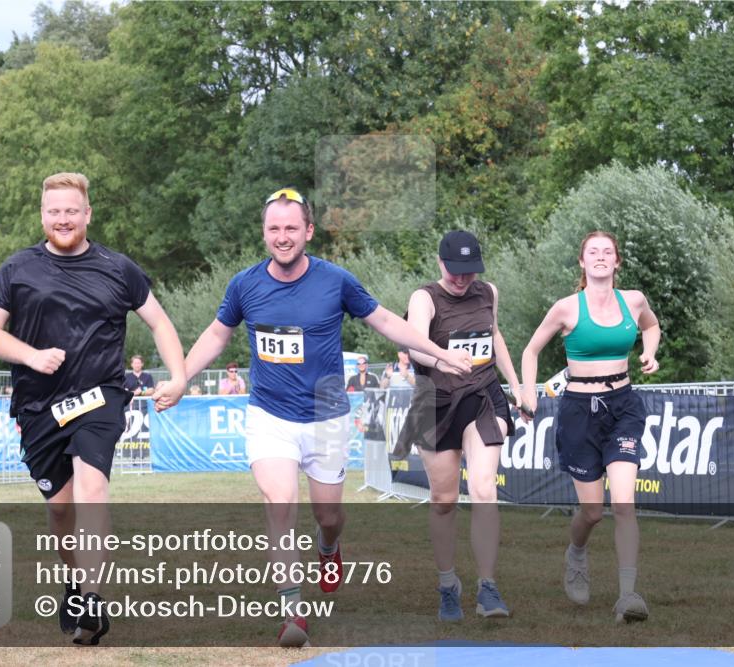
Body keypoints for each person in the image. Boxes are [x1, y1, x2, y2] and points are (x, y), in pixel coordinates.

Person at [184, 187, 472, 648]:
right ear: (264, 233)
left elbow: (384, 322)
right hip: (269, 415)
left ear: (309, 231)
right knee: (280, 505)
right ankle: (292, 611)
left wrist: (437, 352)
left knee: (329, 514)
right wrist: (180, 376)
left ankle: (329, 545)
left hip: (325, 416)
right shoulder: (244, 285)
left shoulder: (335, 280)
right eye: (274, 228)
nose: (283, 237)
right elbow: (218, 336)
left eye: (291, 228)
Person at [0, 172, 187, 646]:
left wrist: (179, 376)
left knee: (92, 488)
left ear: (88, 214)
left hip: (100, 397)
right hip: (38, 407)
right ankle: (74, 581)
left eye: (72, 210)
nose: (63, 219)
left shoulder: (118, 268)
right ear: (42, 215)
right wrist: (31, 356)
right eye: (54, 211)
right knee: (60, 512)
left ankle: (92, 597)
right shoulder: (17, 269)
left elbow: (159, 322)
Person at [520, 230, 660, 623]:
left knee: (624, 503)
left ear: (617, 261)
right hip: (580, 409)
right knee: (593, 511)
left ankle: (628, 595)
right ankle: (577, 553)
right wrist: (528, 394)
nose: (600, 256)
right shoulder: (566, 308)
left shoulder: (633, 301)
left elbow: (651, 326)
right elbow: (531, 350)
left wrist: (649, 352)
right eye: (592, 252)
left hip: (624, 406)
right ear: (582, 262)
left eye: (607, 252)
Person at [396, 230, 524, 621]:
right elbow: (415, 344)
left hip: (483, 397)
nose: (462, 279)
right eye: (455, 272)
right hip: (435, 402)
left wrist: (517, 385)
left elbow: (495, 335)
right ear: (441, 264)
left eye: (469, 272)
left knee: (484, 488)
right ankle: (448, 584)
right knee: (444, 501)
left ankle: (488, 587)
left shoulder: (489, 292)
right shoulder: (424, 297)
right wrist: (442, 359)